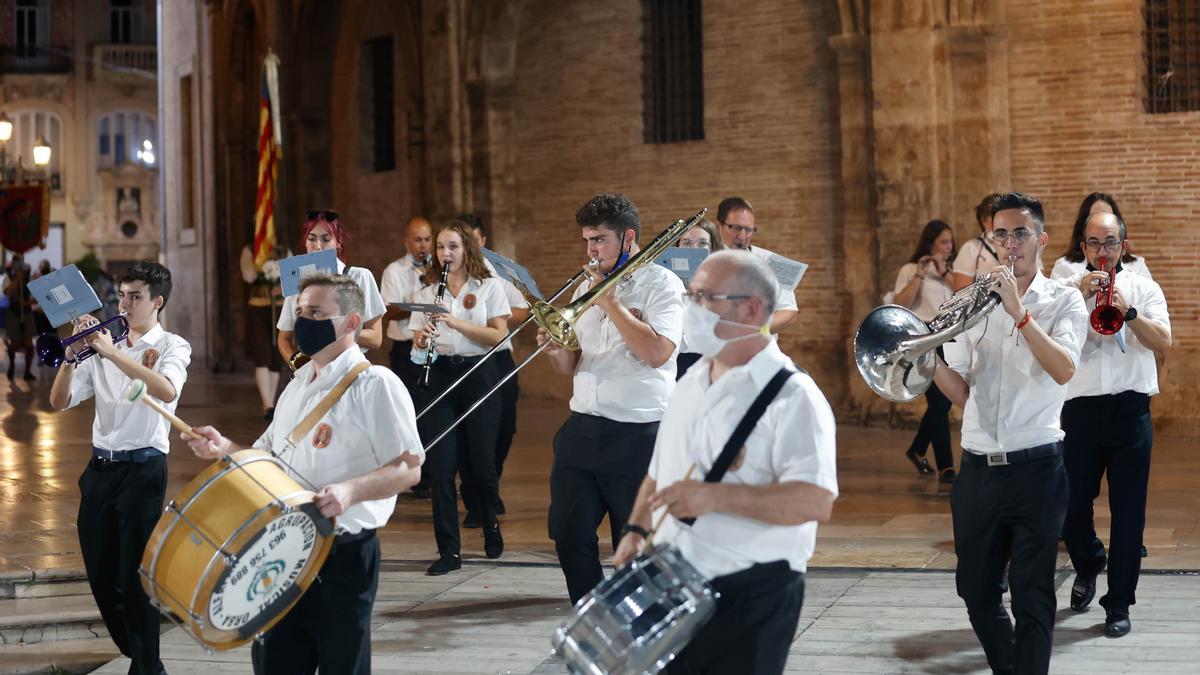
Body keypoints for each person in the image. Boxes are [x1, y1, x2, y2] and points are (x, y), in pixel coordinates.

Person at [186, 272, 423, 675]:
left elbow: (408, 468)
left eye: (316, 312)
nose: (303, 322)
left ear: (351, 322)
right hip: (282, 549)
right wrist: (223, 448)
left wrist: (350, 492)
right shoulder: (296, 385)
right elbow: (265, 460)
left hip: (342, 553)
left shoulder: (376, 384)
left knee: (340, 666)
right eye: (299, 312)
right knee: (276, 662)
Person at [614, 250, 837, 674]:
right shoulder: (690, 383)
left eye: (704, 298)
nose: (691, 309)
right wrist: (636, 528)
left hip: (751, 594)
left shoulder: (795, 398)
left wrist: (714, 498)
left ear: (752, 309)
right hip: (674, 584)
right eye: (691, 296)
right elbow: (661, 469)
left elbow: (815, 501)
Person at [932, 192, 1088, 674]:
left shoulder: (1064, 301)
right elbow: (962, 393)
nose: (1010, 243)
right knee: (976, 594)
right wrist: (925, 360)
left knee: (1032, 596)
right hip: (978, 472)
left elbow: (1063, 369)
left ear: (1040, 239)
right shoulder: (971, 304)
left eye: (1021, 233)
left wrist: (1020, 313)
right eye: (1001, 234)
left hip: (1037, 469)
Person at [537, 193, 685, 603]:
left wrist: (613, 304)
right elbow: (571, 365)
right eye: (587, 240)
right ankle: (590, 613)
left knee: (632, 542)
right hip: (583, 427)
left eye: (599, 240)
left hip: (639, 433)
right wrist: (556, 349)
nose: (590, 250)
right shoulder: (585, 285)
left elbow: (658, 353)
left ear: (628, 238)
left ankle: (634, 624)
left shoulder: (663, 285)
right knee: (568, 534)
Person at [48, 261, 191, 675]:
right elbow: (59, 402)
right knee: (99, 569)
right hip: (100, 470)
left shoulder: (173, 345)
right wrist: (72, 355)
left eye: (135, 297)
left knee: (136, 578)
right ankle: (141, 654)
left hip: (144, 471)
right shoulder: (100, 347)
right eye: (122, 295)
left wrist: (110, 351)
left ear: (157, 301)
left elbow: (165, 390)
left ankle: (147, 666)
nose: (124, 304)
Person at [1060, 211, 1172, 638]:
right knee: (1070, 508)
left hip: (1130, 410)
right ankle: (1088, 561)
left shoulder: (1145, 287)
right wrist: (1076, 293)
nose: (1101, 251)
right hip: (1080, 412)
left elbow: (1164, 343)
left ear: (1123, 246)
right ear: (1083, 247)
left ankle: (1118, 603)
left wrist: (1129, 313)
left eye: (1109, 243)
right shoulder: (1066, 290)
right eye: (1093, 243)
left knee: (1129, 515)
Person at [410, 220, 511, 575]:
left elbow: (497, 336)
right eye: (440, 247)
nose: (445, 253)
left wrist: (454, 323)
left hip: (479, 374)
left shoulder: (489, 287)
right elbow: (415, 350)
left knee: (481, 467)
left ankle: (489, 523)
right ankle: (449, 551)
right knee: (441, 469)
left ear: (466, 248)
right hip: (439, 376)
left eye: (452, 246)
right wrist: (421, 341)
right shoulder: (426, 294)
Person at [460, 212, 529, 525]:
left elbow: (522, 309)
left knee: (505, 427)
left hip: (499, 356)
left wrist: (493, 316)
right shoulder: (451, 275)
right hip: (465, 359)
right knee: (472, 433)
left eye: (473, 241)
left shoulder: (498, 269)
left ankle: (490, 484)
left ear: (483, 240)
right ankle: (477, 499)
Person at [885, 220, 957, 481]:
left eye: (950, 242)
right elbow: (899, 303)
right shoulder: (910, 268)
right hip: (923, 335)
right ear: (931, 244)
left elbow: (962, 295)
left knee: (944, 400)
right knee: (938, 400)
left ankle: (917, 449)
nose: (949, 247)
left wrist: (945, 271)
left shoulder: (952, 271)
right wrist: (920, 273)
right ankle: (947, 467)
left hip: (949, 335)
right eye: (943, 242)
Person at [276, 210, 385, 373]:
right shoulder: (297, 280)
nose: (317, 246)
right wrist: (299, 366)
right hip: (313, 372)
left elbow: (375, 338)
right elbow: (284, 338)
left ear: (338, 242)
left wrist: (334, 328)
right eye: (311, 239)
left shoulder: (359, 276)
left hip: (349, 369)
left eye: (326, 239)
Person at [715, 197, 798, 332]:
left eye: (748, 230)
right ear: (718, 226)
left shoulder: (775, 262)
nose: (742, 237)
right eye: (736, 228)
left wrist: (755, 330)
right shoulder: (702, 260)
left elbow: (789, 312)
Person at [379, 216, 434, 390]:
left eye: (427, 239)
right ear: (406, 242)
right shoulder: (394, 271)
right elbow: (389, 311)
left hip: (437, 346)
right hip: (405, 349)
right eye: (418, 240)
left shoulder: (441, 269)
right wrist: (421, 301)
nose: (423, 245)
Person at [1049, 192, 1153, 282]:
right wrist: (1081, 293)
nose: (1101, 223)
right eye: (1094, 217)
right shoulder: (1064, 267)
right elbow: (1055, 304)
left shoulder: (1137, 265)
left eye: (1107, 217)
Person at [674, 218, 725, 379]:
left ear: (713, 248)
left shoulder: (728, 282)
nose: (694, 249)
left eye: (702, 243)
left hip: (713, 359)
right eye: (687, 243)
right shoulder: (667, 282)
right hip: (676, 359)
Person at [240, 244, 283, 420]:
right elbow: (248, 276)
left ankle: (270, 403)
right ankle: (267, 404)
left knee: (275, 356)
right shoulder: (250, 249)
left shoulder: (283, 248)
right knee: (262, 353)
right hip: (258, 306)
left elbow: (293, 275)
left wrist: (279, 285)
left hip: (278, 306)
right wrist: (265, 275)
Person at [949, 193, 1004, 291]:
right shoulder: (971, 249)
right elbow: (961, 292)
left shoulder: (1018, 246)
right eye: (995, 216)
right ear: (983, 220)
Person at [4, 253, 37, 381]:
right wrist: (17, 279)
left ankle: (27, 371)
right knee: (14, 342)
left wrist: (26, 303)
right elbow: (7, 292)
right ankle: (11, 365)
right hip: (14, 314)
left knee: (29, 343)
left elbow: (36, 299)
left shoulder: (30, 278)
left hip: (27, 313)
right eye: (16, 262)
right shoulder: (8, 277)